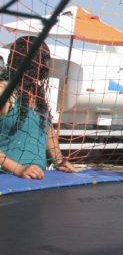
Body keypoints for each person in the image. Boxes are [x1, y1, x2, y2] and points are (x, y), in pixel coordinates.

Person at [0, 36, 75, 178]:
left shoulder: (36, 93)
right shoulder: (4, 90)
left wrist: (59, 159)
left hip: (37, 178)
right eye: (41, 62)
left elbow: (47, 130)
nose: (45, 67)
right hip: (6, 180)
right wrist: (19, 169)